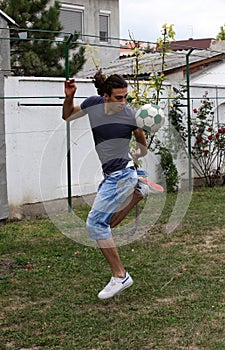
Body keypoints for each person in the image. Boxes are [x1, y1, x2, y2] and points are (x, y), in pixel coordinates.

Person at [62, 71, 151, 300]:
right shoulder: (93, 104)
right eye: (119, 97)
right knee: (104, 225)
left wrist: (137, 152)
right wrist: (69, 96)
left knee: (95, 223)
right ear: (105, 96)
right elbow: (68, 116)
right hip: (111, 175)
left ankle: (120, 275)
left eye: (126, 97)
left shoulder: (129, 115)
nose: (124, 102)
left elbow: (142, 144)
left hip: (122, 175)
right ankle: (137, 194)